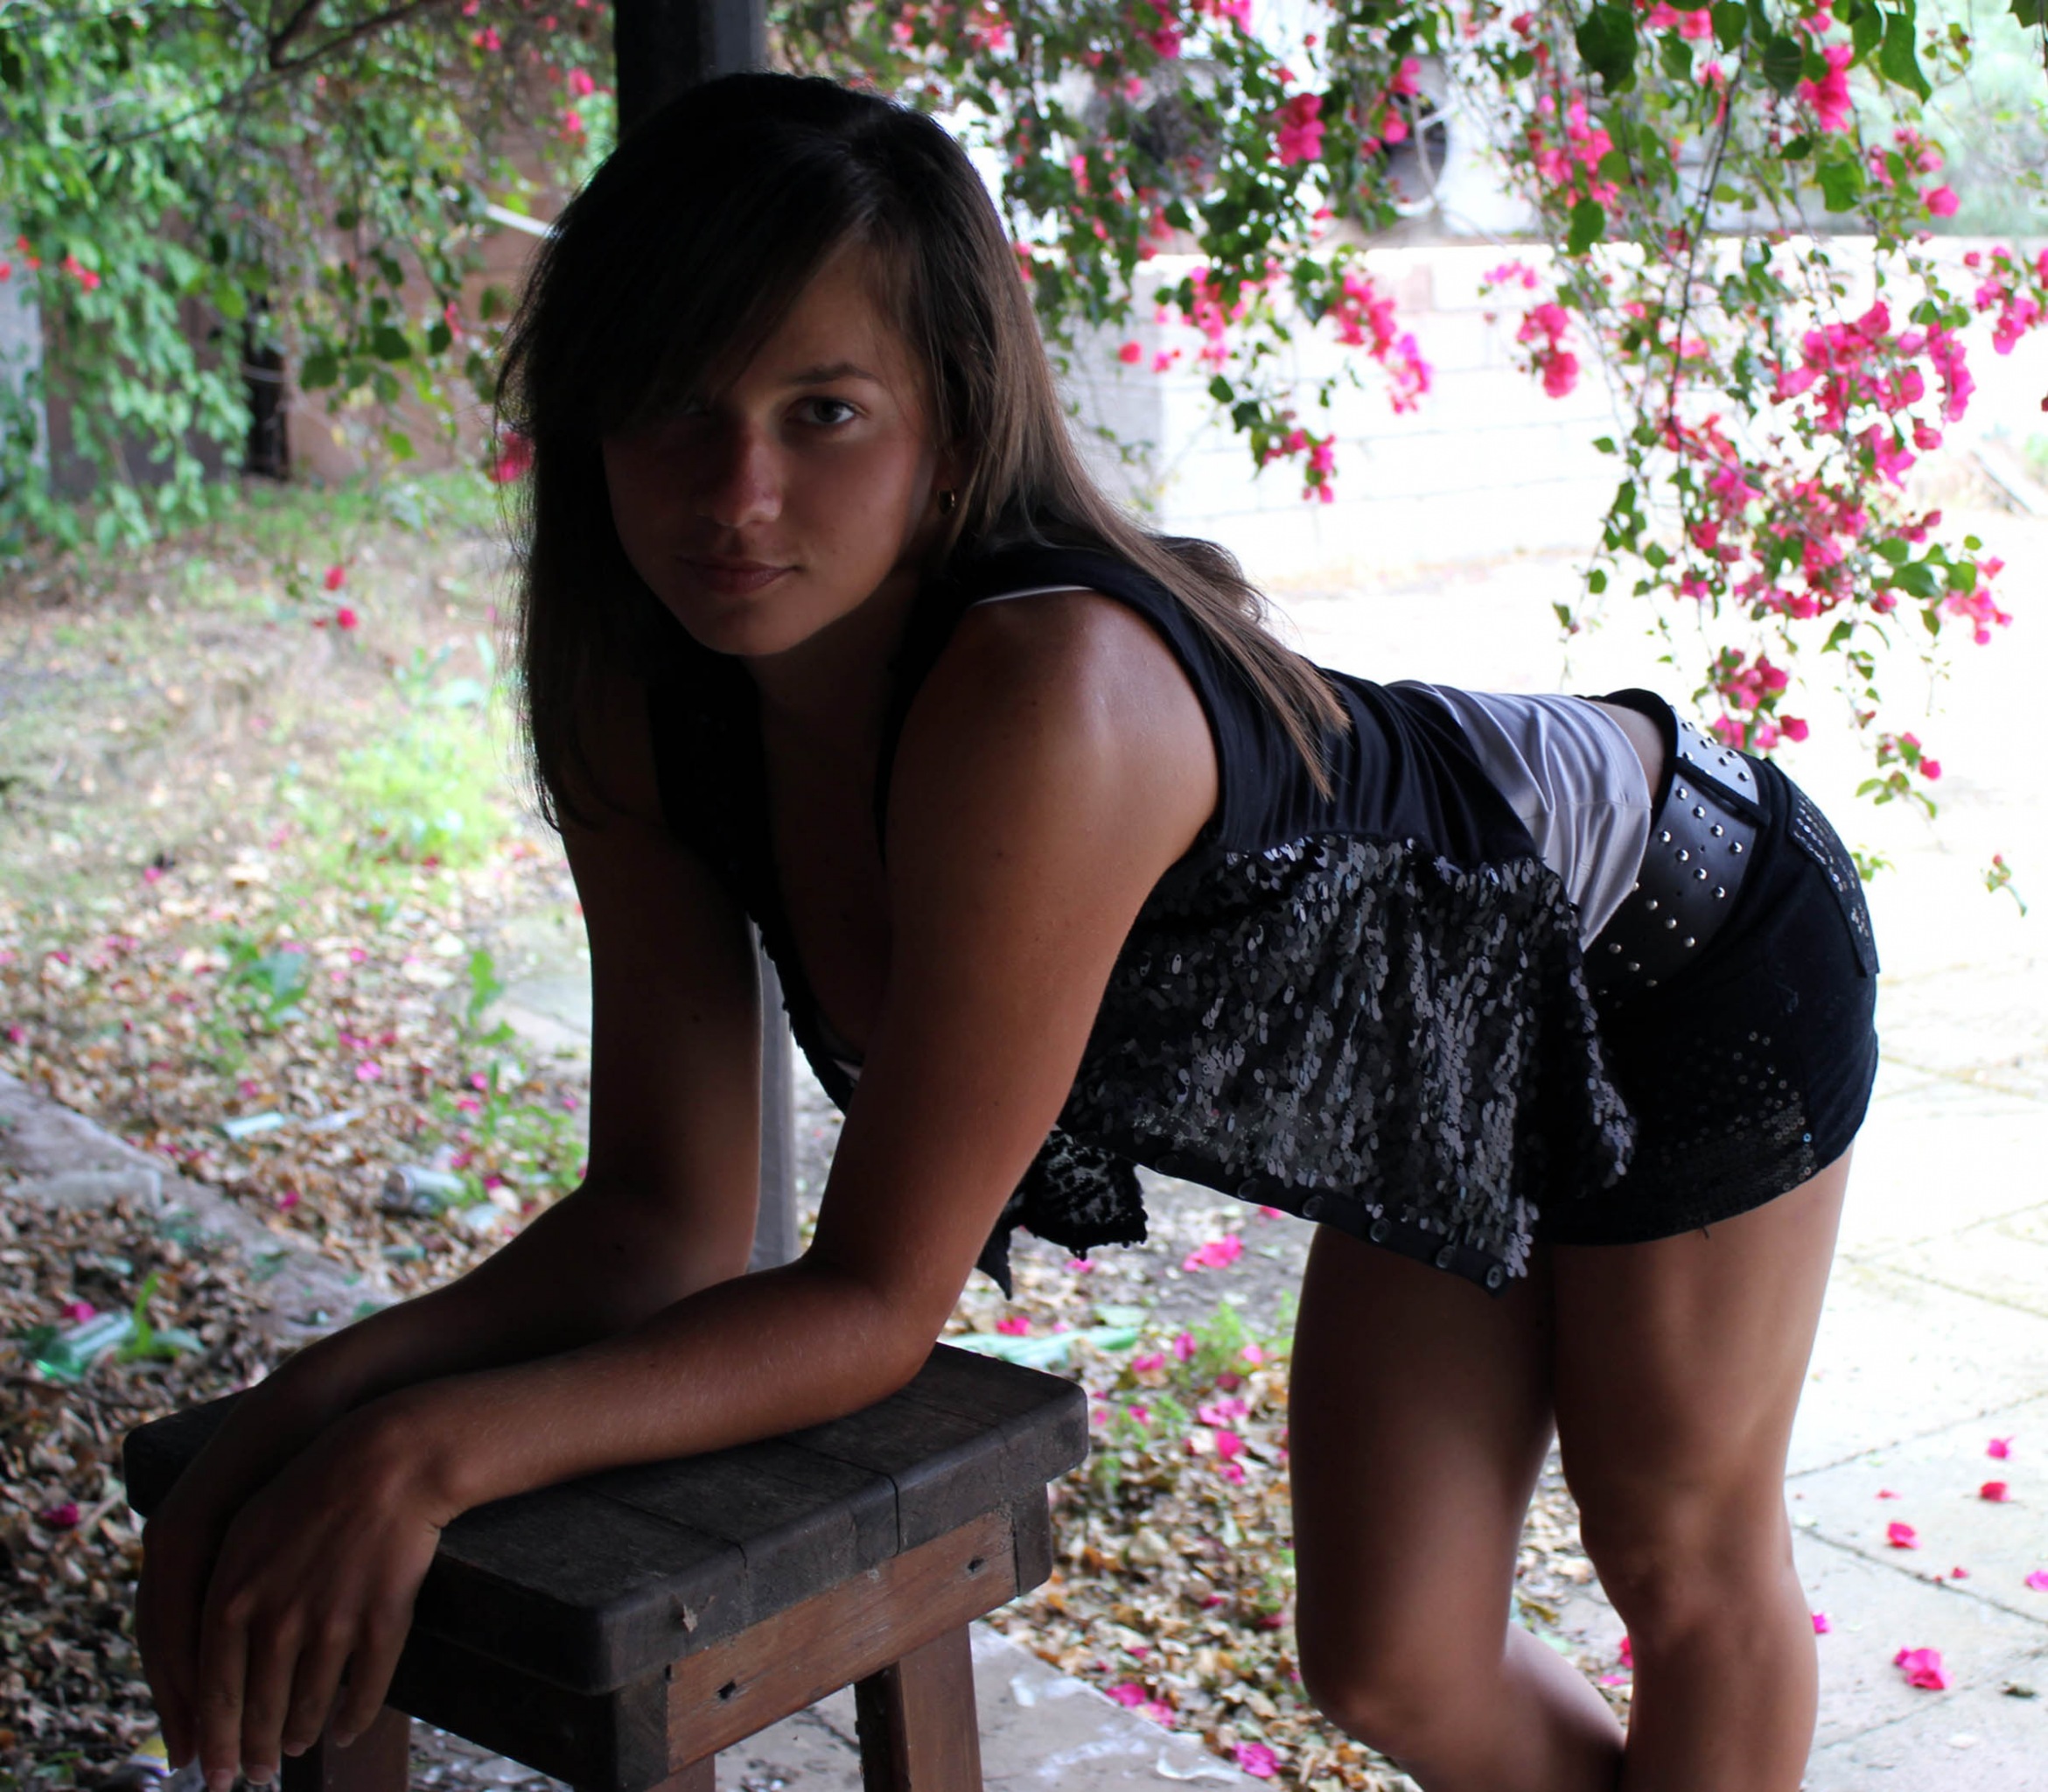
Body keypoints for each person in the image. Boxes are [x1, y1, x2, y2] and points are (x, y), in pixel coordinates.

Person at [136, 74, 1879, 1792]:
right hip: (1455, 1016)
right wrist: (304, 1412)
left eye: (823, 412)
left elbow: (873, 1301)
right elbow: (659, 1220)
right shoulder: (640, 693)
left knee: (1676, 1556)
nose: (735, 491)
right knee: (1393, 1658)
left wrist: (425, 1456)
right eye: (671, 404)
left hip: (1682, 942)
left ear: (955, 425)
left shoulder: (1047, 697)